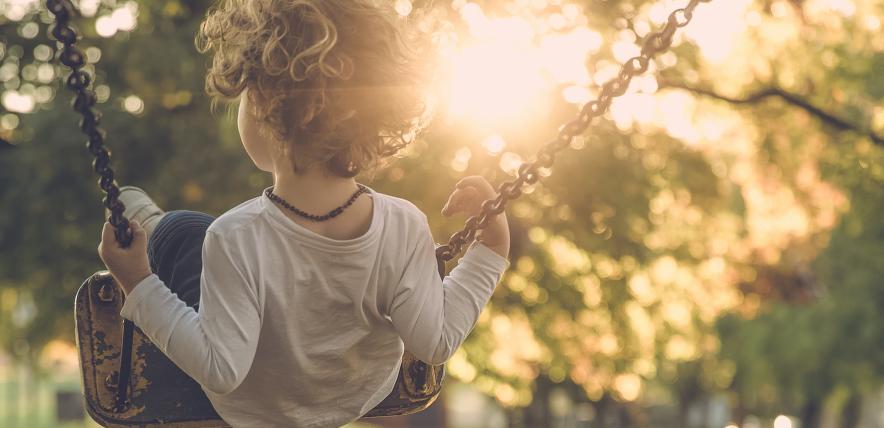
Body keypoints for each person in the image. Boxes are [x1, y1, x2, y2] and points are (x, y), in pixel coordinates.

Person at [97, 1, 510, 427]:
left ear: (265, 105)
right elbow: (437, 342)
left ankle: (144, 215)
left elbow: (221, 370)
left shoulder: (234, 236)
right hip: (356, 398)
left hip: (251, 410)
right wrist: (490, 252)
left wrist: (138, 282)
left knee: (184, 232)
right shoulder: (404, 225)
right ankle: (146, 215)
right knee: (194, 235)